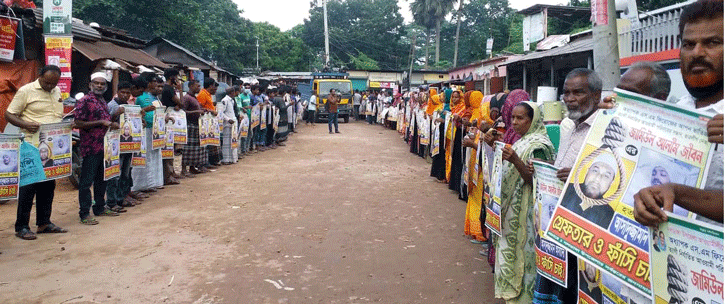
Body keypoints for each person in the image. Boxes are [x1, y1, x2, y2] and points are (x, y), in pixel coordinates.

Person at [633, 0, 724, 226]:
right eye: (688, 44)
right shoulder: (673, 112)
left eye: (713, 42)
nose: (697, 53)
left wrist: (676, 193)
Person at [494, 101, 555, 304]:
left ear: (533, 120)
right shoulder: (522, 140)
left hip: (528, 209)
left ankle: (525, 297)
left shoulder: (539, 146)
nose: (515, 122)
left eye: (520, 118)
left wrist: (516, 161)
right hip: (514, 206)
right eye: (513, 117)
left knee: (526, 256)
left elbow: (538, 181)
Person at [5, 65, 67, 239]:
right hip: (31, 147)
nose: (50, 87)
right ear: (40, 76)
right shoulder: (26, 91)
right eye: (47, 83)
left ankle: (44, 223)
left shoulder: (56, 92)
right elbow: (9, 115)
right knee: (28, 186)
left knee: (48, 185)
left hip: (50, 147)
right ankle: (22, 227)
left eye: (54, 84)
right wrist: (25, 125)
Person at [75, 72, 122, 225]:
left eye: (102, 84)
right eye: (96, 83)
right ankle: (84, 213)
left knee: (102, 179)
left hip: (105, 146)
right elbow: (78, 123)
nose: (99, 86)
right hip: (90, 146)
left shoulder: (102, 100)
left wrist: (112, 119)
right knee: (86, 181)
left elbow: (107, 121)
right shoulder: (84, 101)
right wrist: (101, 122)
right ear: (90, 85)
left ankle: (100, 208)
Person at [106, 80, 138, 209]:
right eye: (122, 92)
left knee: (126, 172)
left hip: (128, 144)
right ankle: (112, 200)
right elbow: (106, 122)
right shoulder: (112, 105)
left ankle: (123, 197)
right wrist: (114, 115)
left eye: (127, 93)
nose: (125, 95)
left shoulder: (130, 106)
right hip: (115, 145)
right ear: (117, 92)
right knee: (115, 173)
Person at [560, 160, 617, 229]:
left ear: (611, 183)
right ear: (587, 172)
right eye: (595, 171)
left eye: (606, 176)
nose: (597, 178)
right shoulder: (567, 188)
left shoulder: (609, 214)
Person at [181, 80, 209, 175]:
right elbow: (183, 112)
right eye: (197, 86)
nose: (199, 88)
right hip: (189, 125)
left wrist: (202, 110)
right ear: (191, 86)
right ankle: (184, 169)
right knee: (187, 148)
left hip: (196, 125)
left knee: (195, 148)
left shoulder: (194, 98)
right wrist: (196, 112)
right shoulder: (186, 98)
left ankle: (192, 167)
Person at [160, 68, 182, 185]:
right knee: (169, 147)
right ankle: (168, 175)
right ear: (172, 77)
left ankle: (170, 172)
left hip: (167, 116)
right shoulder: (169, 89)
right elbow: (181, 103)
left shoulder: (165, 88)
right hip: (169, 119)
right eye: (176, 77)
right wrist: (180, 90)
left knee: (169, 147)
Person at [198, 78, 220, 167]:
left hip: (210, 121)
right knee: (206, 143)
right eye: (214, 86)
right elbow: (199, 107)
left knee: (211, 142)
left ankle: (211, 161)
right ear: (211, 86)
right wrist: (211, 110)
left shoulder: (209, 95)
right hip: (205, 122)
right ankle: (206, 163)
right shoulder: (202, 94)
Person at [218, 86, 238, 164]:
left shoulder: (232, 101)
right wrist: (228, 119)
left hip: (233, 123)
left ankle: (232, 158)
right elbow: (221, 112)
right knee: (226, 141)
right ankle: (226, 159)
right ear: (231, 93)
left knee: (232, 141)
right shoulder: (224, 100)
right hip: (227, 123)